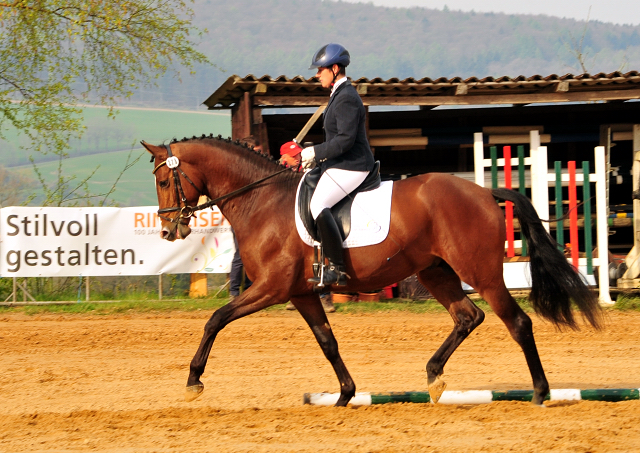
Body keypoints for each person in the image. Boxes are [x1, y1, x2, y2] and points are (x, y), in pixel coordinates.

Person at [301, 43, 375, 287]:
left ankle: (337, 268)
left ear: (334, 69)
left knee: (318, 203)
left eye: (320, 69)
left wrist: (315, 152)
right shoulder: (338, 95)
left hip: (353, 165)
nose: (316, 74)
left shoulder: (346, 98)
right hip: (340, 163)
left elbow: (344, 140)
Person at [228, 135, 262, 302]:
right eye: (257, 152)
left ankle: (249, 289)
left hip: (253, 218)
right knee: (241, 255)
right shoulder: (239, 171)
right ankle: (234, 292)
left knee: (251, 255)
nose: (260, 155)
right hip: (241, 220)